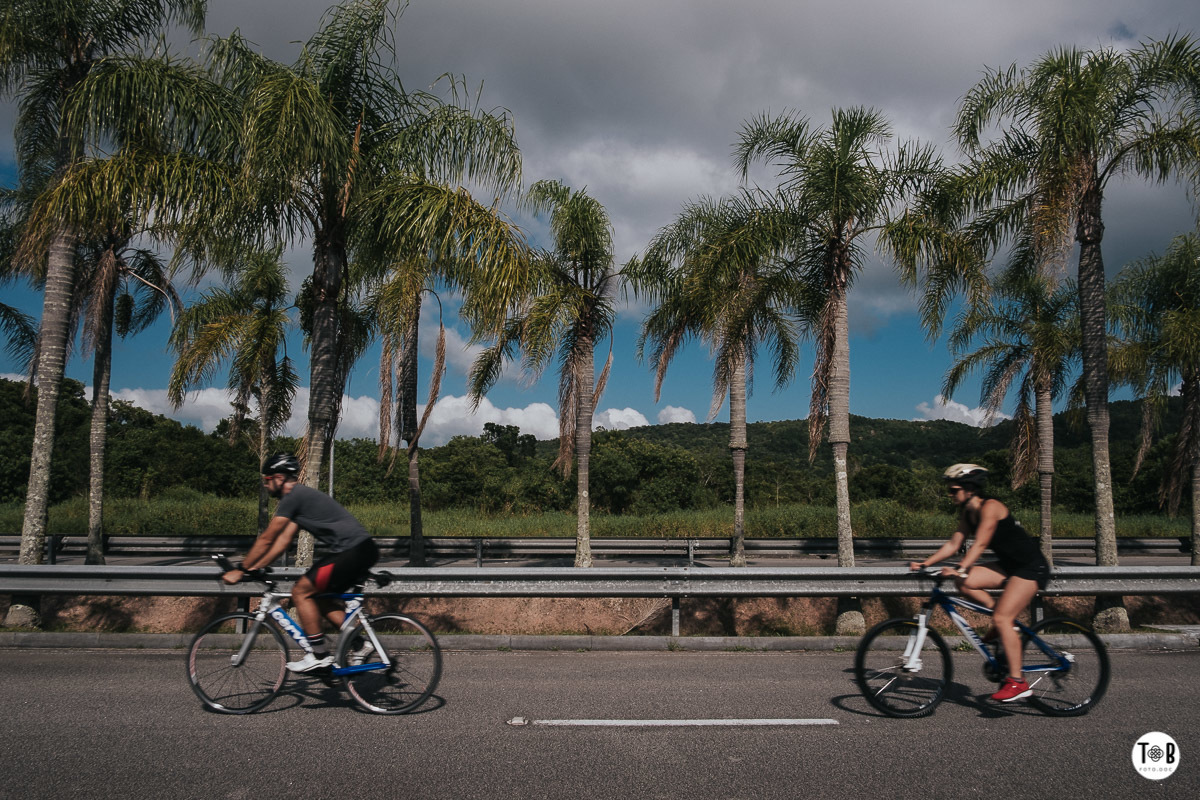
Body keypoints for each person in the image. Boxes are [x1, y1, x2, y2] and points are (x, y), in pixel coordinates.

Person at [222, 452, 379, 672]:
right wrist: (258, 566)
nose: (266, 486)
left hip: (352, 551)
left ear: (279, 477)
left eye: (267, 480)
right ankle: (360, 645)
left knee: (301, 592)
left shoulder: (294, 496)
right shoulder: (299, 500)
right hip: (359, 550)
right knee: (320, 600)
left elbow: (267, 537)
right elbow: (282, 542)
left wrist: (241, 569)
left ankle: (319, 655)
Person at [909, 463, 1050, 703]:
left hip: (1030, 567)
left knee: (1001, 617)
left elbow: (981, 544)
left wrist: (960, 568)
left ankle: (1017, 682)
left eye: (954, 490)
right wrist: (925, 563)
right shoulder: (967, 513)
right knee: (965, 584)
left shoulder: (991, 507)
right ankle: (1002, 622)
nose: (950, 494)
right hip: (1007, 565)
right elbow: (954, 544)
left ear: (970, 488)